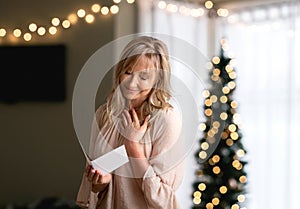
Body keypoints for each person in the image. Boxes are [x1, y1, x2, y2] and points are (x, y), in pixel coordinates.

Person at [76, 36, 184, 209]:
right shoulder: (104, 114)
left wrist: (132, 143)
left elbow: (163, 199)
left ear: (157, 80)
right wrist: (101, 181)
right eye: (128, 72)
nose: (132, 83)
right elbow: (94, 189)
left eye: (144, 76)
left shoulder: (166, 120)